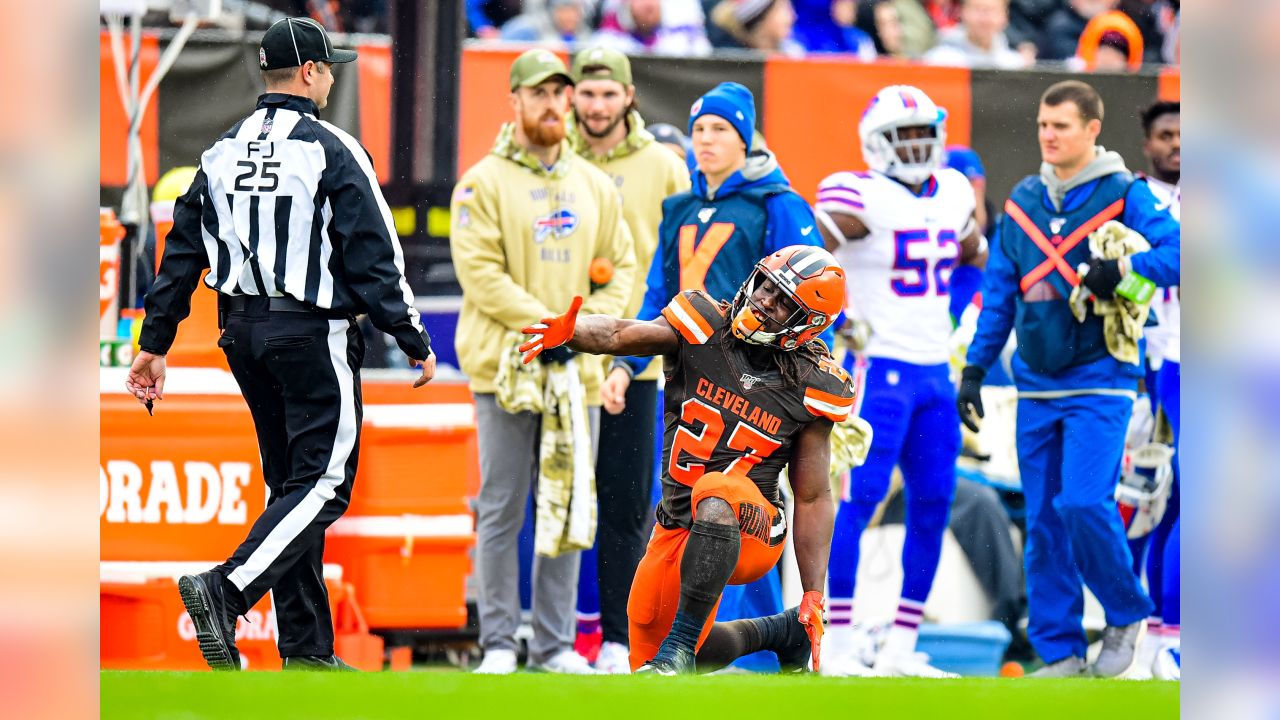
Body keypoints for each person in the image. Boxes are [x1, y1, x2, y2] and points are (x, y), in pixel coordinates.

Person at [124, 17, 435, 672]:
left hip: (241, 330)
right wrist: (409, 334)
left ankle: (306, 650)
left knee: (291, 486)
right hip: (310, 331)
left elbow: (181, 253)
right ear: (311, 73)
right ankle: (226, 589)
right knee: (324, 483)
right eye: (329, 70)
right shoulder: (329, 147)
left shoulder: (218, 151)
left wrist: (154, 343)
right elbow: (373, 251)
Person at [520, 245, 856, 674]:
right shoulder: (702, 325)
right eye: (766, 285)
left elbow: (811, 496)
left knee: (716, 490)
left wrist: (813, 593)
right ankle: (778, 633)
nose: (764, 300)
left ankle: (678, 646)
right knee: (649, 645)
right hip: (679, 521)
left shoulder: (812, 382)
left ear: (807, 324)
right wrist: (573, 333)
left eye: (782, 300)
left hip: (754, 528)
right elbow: (621, 334)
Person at [957, 80, 1180, 677]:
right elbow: (1000, 293)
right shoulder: (1025, 198)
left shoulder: (1125, 191)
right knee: (1044, 520)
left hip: (1103, 377)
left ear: (1092, 130)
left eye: (1060, 125)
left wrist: (1125, 268)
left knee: (1083, 502)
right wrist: (976, 368)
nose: (1048, 135)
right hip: (1035, 379)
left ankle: (1126, 610)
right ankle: (1059, 651)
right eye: (1042, 125)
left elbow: (1183, 250)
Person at [449, 48, 637, 675]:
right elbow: (480, 277)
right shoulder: (481, 182)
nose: (553, 104)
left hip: (574, 373)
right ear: (516, 102)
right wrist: (552, 328)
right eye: (540, 94)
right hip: (507, 371)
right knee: (504, 503)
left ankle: (555, 645)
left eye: (561, 93)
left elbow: (624, 267)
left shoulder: (592, 185)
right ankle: (500, 641)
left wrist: (576, 333)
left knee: (568, 504)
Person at [813, 84, 988, 677]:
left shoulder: (957, 190)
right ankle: (836, 640)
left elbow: (974, 257)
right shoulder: (857, 193)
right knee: (855, 502)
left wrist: (956, 317)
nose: (915, 145)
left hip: (935, 372)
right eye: (903, 135)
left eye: (922, 133)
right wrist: (838, 318)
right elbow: (809, 257)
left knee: (934, 502)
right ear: (875, 143)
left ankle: (900, 645)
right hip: (876, 370)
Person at [563, 46, 691, 674]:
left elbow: (679, 258)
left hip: (634, 360)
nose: (597, 106)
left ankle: (616, 637)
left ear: (629, 97)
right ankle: (557, 635)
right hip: (561, 356)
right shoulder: (554, 159)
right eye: (587, 94)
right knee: (558, 501)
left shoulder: (664, 167)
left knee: (622, 503)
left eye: (609, 94)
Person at [1129, 99, 1180, 681]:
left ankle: (1165, 638)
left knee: (1184, 498)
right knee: (1141, 504)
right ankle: (1134, 632)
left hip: (1198, 359)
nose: (1177, 144)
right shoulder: (1134, 199)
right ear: (1148, 143)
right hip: (1148, 365)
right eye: (1166, 135)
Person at [924, 0, 1032, 69]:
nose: (984, 18)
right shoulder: (939, 61)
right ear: (962, 12)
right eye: (977, 9)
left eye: (991, 10)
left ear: (1005, 16)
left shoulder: (1015, 65)